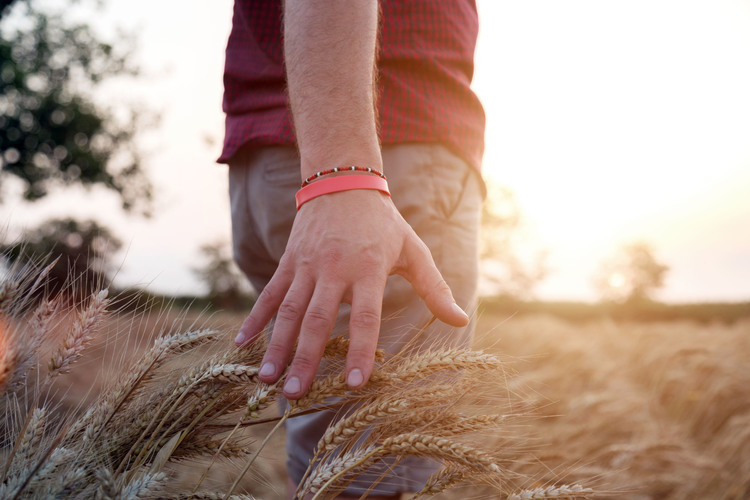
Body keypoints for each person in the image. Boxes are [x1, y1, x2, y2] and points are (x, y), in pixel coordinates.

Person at [219, 1, 486, 498]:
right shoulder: (350, 173)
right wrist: (344, 171)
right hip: (377, 157)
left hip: (282, 158)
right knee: (362, 477)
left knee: (334, 464)